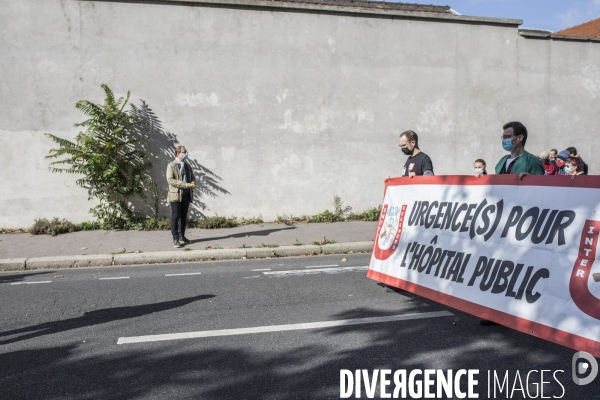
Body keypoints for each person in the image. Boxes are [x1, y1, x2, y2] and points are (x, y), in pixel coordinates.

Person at [167, 145, 196, 248]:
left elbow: (192, 178)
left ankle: (181, 236)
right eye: (184, 152)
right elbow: (170, 180)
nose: (185, 153)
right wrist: (184, 185)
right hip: (175, 196)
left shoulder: (187, 166)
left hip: (186, 195)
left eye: (186, 152)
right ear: (178, 154)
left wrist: (192, 183)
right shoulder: (171, 165)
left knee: (183, 216)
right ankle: (175, 239)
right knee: (175, 216)